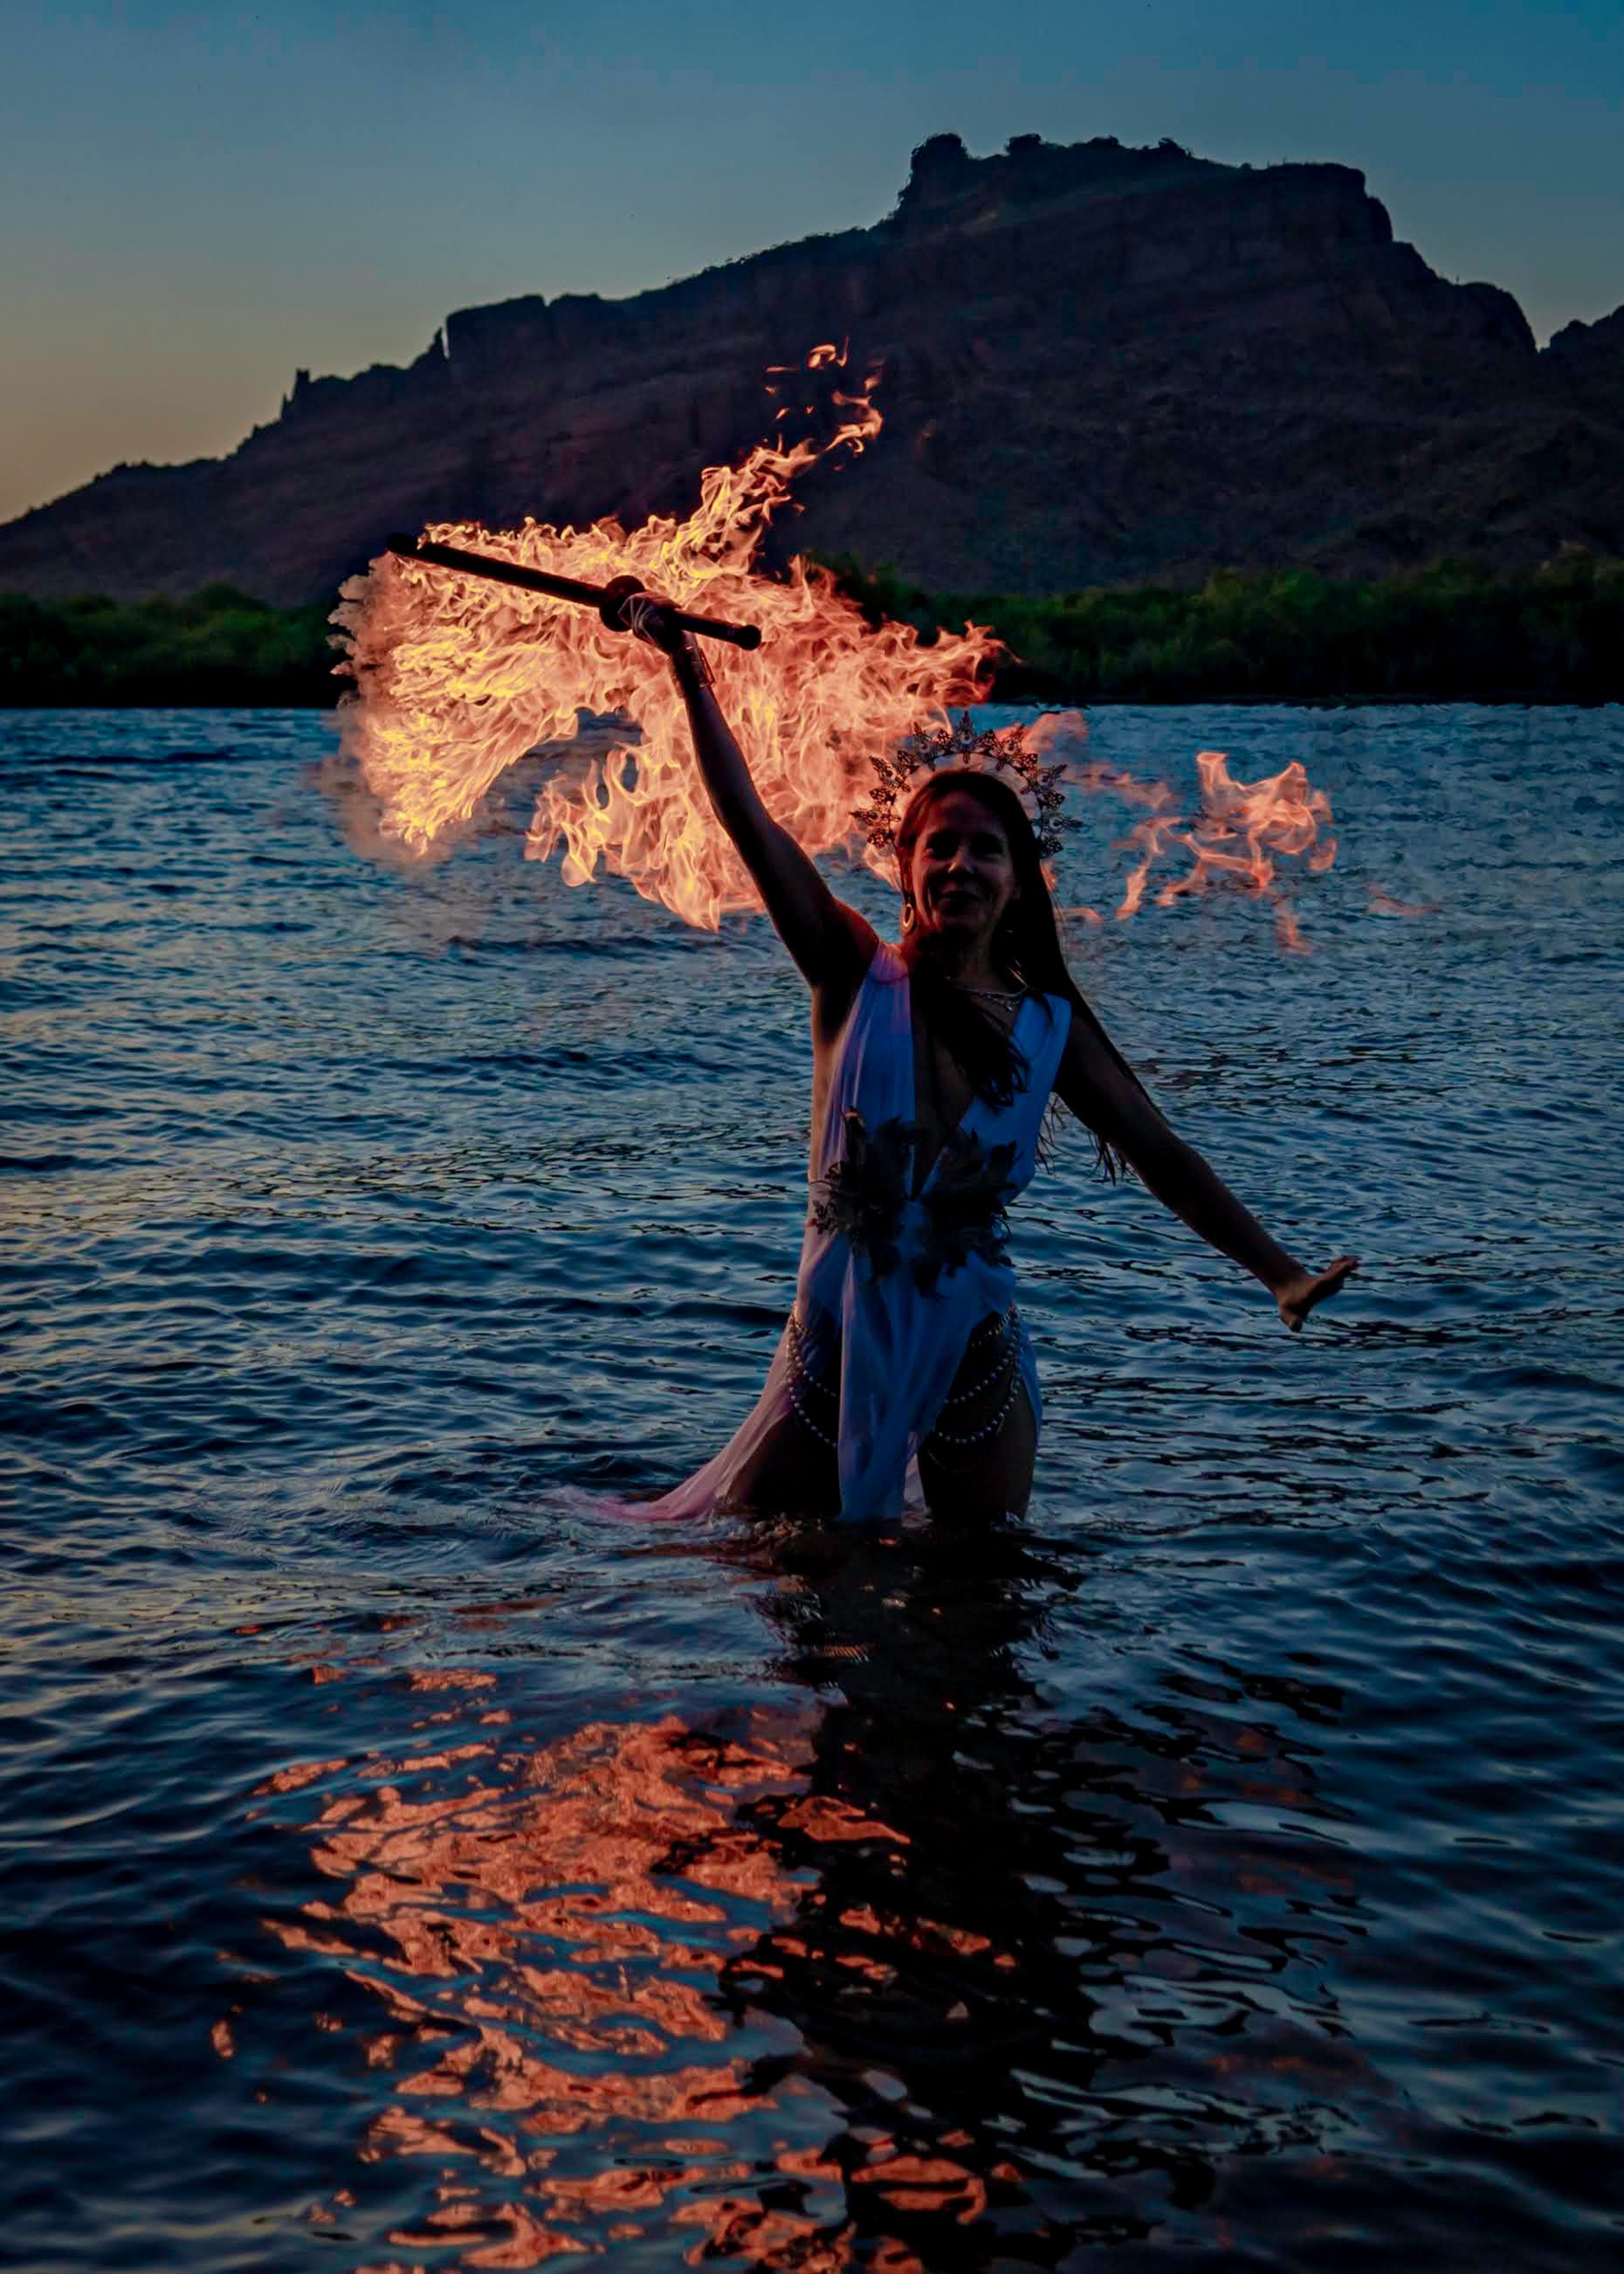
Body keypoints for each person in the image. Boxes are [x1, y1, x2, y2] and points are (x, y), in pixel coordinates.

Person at [629, 604, 1359, 1525]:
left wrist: (1280, 1273)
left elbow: (1160, 1153)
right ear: (907, 868)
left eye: (987, 851)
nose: (962, 867)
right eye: (942, 847)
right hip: (835, 1343)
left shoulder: (1049, 1025)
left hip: (975, 1350)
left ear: (1019, 882)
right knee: (792, 1600)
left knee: (989, 1608)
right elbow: (749, 822)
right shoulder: (852, 973)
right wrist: (689, 671)